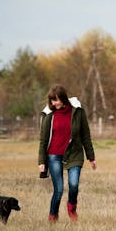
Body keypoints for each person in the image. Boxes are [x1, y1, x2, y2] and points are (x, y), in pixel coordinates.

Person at [38, 84, 97, 222]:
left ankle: (72, 207)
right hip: (54, 155)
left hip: (74, 154)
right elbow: (43, 140)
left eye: (56, 100)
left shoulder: (77, 112)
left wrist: (91, 157)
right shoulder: (49, 115)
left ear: (63, 99)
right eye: (52, 100)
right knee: (58, 189)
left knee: (74, 184)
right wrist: (41, 161)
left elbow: (85, 135)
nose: (54, 103)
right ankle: (53, 215)